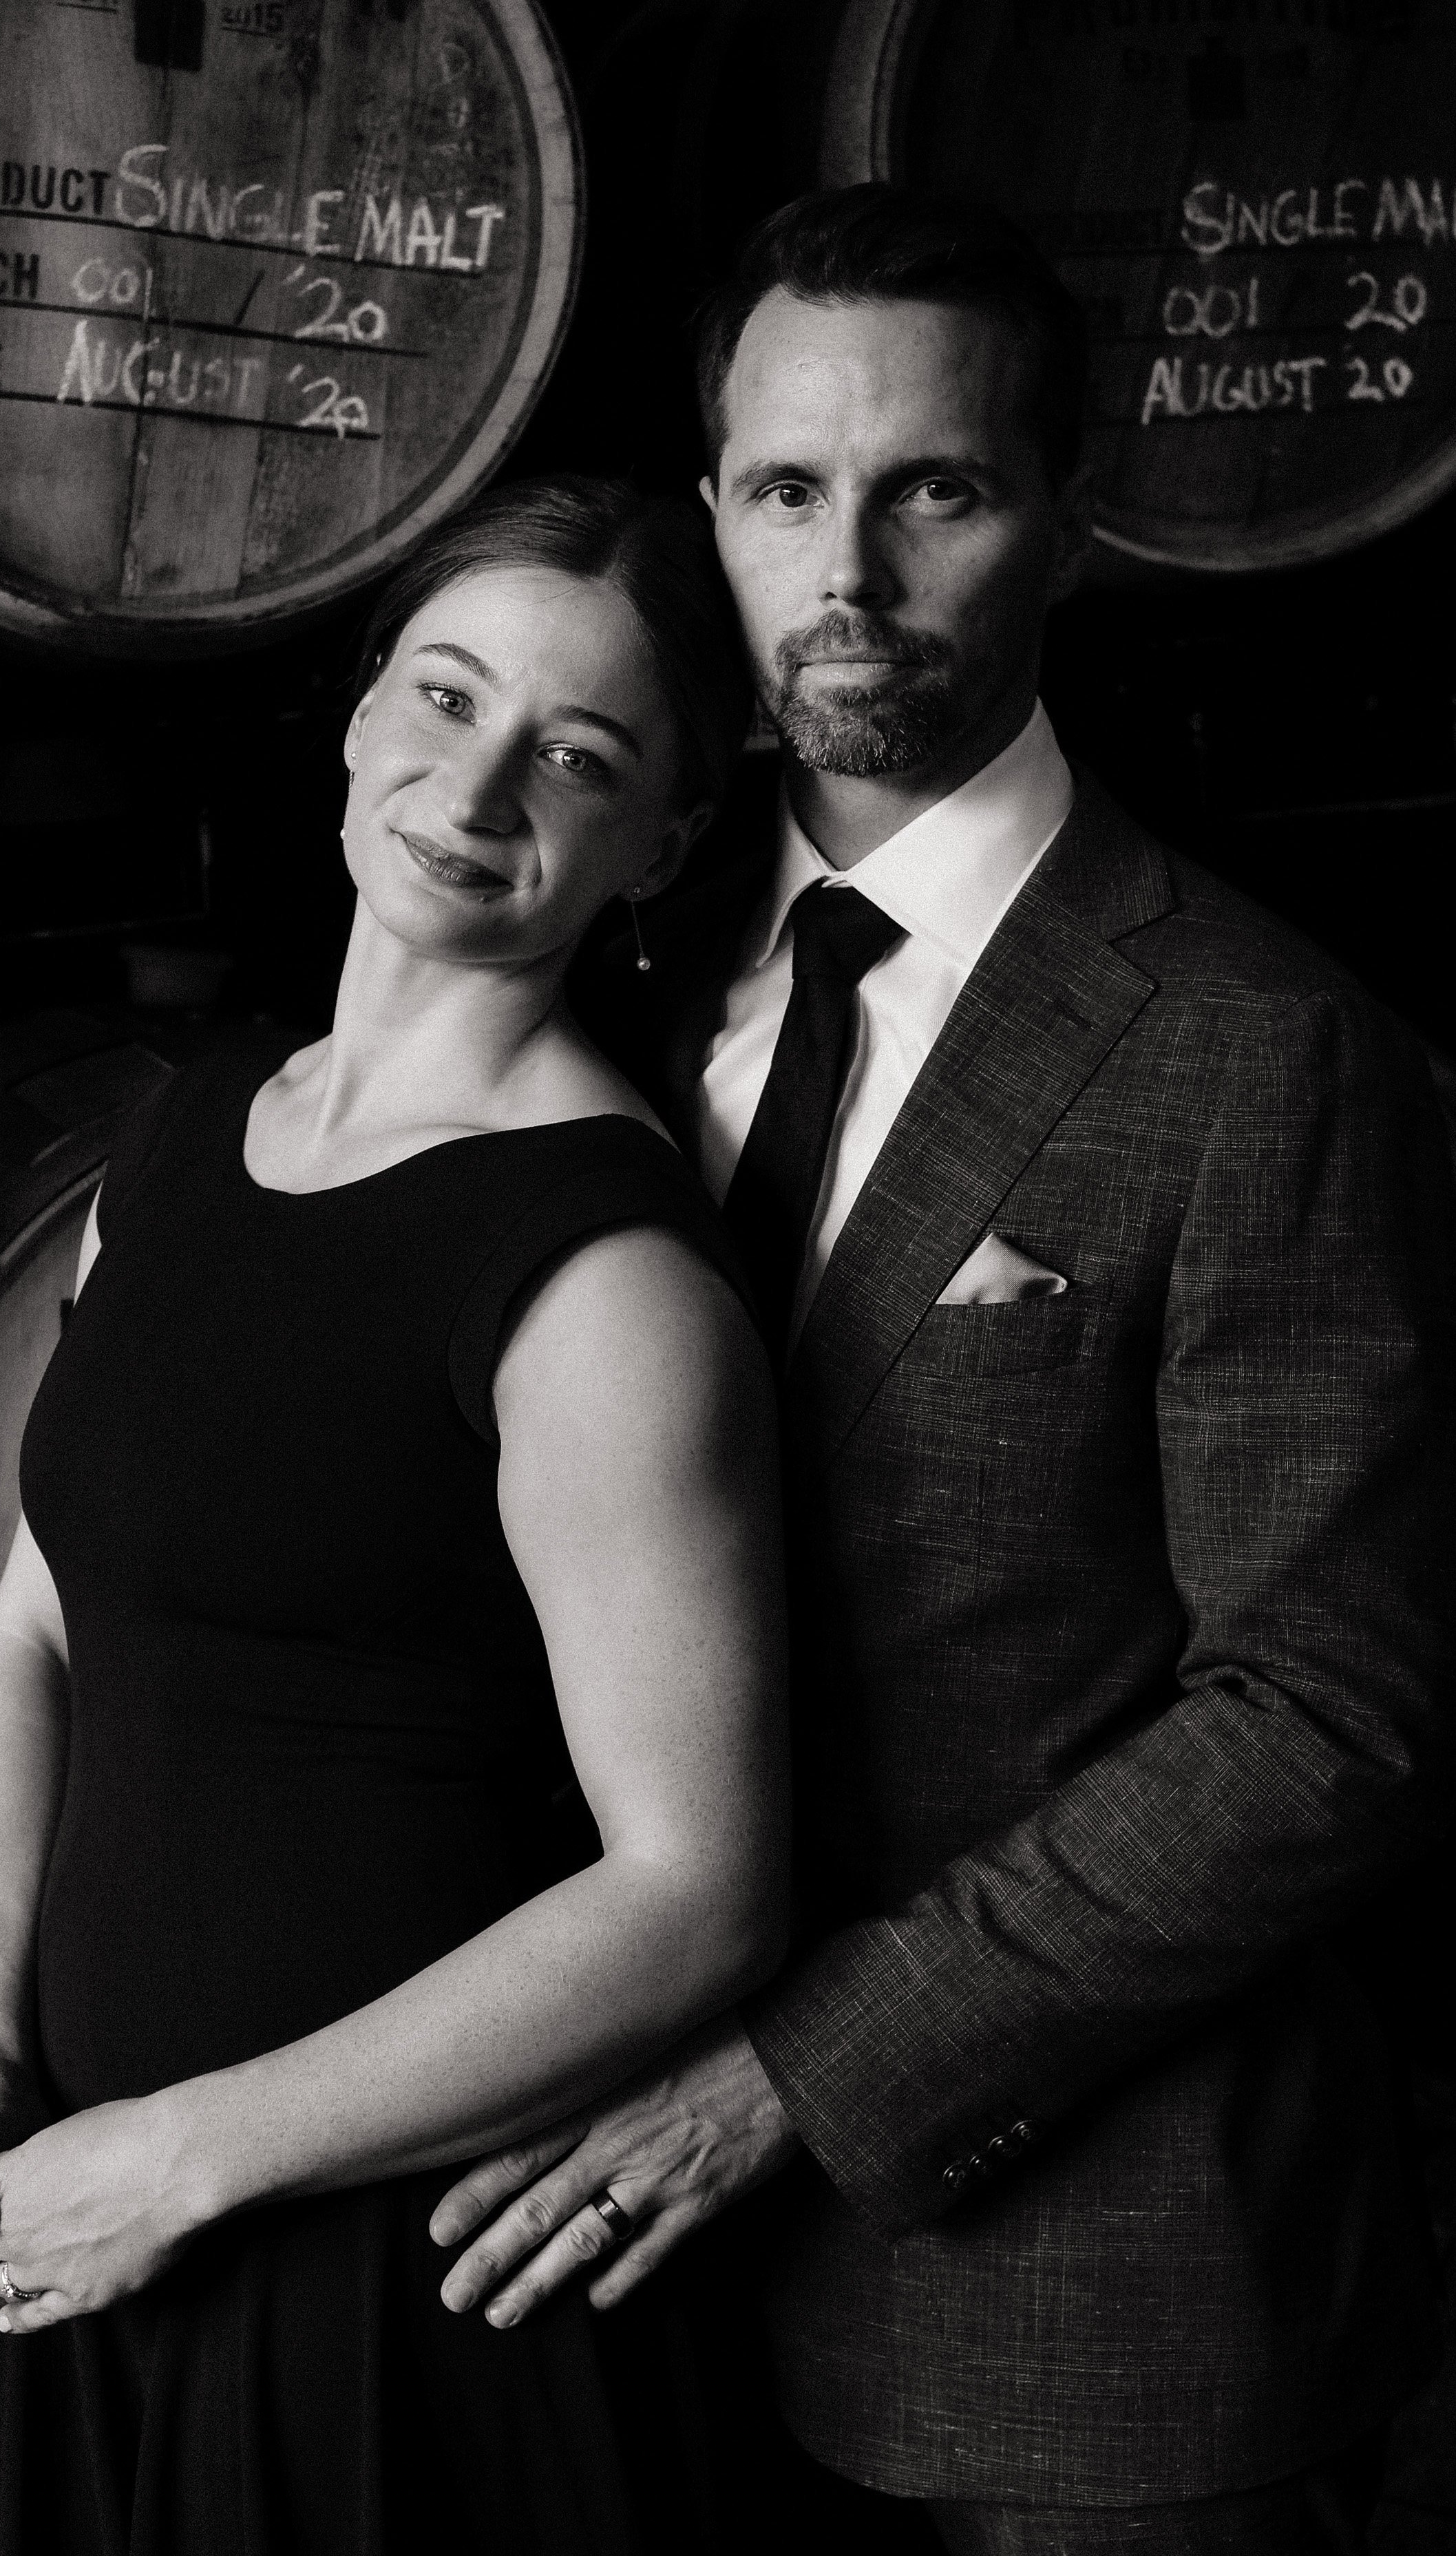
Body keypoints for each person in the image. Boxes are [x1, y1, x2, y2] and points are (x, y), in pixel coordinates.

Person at [430, 188, 1456, 2554]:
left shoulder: (1257, 1042)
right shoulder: (619, 962)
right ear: (712, 514)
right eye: (789, 491)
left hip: (1095, 2316)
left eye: (940, 492)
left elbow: (1330, 1711)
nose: (850, 574)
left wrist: (798, 2075)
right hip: (613, 2299)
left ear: (1065, 532)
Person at [0, 478, 789, 2556]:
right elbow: (34, 1632)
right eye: (445, 694)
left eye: (581, 754)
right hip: (87, 2236)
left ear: (665, 844)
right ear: (359, 710)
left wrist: (186, 2152)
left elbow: (696, 1885)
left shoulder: (597, 1273)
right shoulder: (192, 1127)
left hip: (395, 2304)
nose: (477, 780)